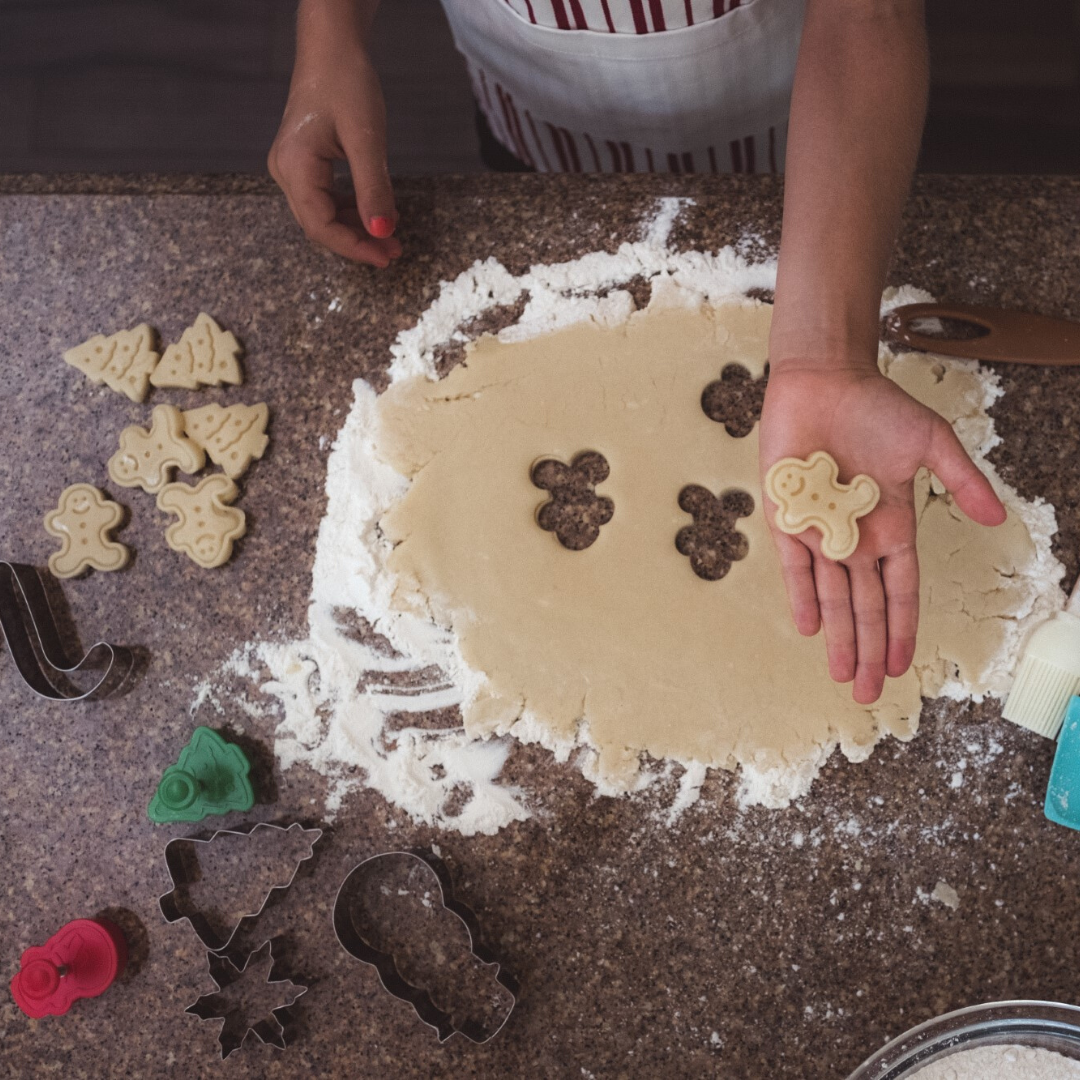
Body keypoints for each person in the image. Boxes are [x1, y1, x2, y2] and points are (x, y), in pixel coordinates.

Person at [269, 0, 1007, 705]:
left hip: (803, 123)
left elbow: (867, 13)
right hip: (533, 105)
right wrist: (327, 36)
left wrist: (826, 352)